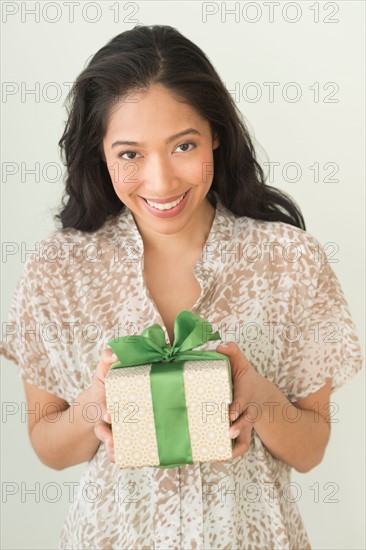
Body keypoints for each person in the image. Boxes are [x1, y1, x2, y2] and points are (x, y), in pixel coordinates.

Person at [0, 24, 363, 550]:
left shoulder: (291, 261)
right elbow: (48, 447)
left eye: (183, 145)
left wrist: (258, 399)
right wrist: (97, 402)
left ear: (216, 132)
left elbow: (311, 449)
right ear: (100, 153)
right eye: (130, 154)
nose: (161, 182)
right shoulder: (58, 269)